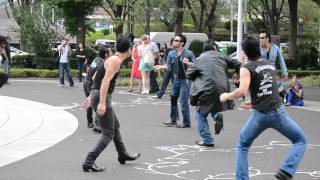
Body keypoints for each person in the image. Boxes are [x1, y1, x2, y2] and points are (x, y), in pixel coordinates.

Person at [220, 37, 307, 180]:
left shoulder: (246, 67)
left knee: (243, 145)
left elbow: (242, 91)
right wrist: (253, 103)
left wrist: (226, 96)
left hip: (260, 116)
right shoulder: (269, 65)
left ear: (244, 53)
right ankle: (286, 171)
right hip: (278, 112)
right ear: (258, 49)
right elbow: (269, 90)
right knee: (300, 140)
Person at [82, 34, 140, 172]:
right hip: (103, 96)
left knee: (115, 125)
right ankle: (89, 161)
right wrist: (101, 102)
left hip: (99, 94)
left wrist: (91, 96)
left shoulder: (113, 59)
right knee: (108, 132)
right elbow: (104, 81)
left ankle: (122, 154)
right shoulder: (115, 61)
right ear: (129, 49)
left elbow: (96, 76)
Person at [186, 40, 240, 147]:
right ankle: (216, 115)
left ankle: (207, 140)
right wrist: (240, 74)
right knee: (213, 105)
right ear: (214, 48)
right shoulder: (222, 56)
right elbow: (237, 63)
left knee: (200, 114)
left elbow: (189, 74)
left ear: (204, 49)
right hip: (223, 88)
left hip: (206, 88)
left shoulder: (199, 59)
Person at [155, 34, 195, 128]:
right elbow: (168, 66)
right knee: (173, 99)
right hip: (176, 80)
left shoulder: (188, 53)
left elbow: (196, 64)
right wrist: (161, 66)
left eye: (176, 40)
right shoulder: (171, 53)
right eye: (174, 40)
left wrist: (188, 63)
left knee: (183, 101)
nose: (173, 41)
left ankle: (186, 122)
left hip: (185, 81)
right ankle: (173, 120)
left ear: (182, 43)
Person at [83, 47, 111, 131]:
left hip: (86, 83)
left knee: (90, 102)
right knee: (99, 104)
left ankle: (90, 122)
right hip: (92, 85)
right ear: (106, 55)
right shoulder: (101, 64)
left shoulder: (96, 59)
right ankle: (97, 125)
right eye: (110, 53)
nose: (111, 54)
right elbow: (94, 77)